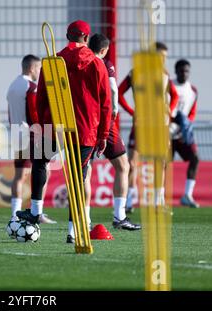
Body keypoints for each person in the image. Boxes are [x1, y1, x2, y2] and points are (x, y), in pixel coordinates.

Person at [17, 20, 112, 244]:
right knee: (77, 179)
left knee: (40, 161)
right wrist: (103, 135)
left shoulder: (52, 61)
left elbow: (41, 98)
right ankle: (72, 231)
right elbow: (106, 102)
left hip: (55, 124)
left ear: (68, 35)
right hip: (86, 128)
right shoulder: (97, 64)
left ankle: (35, 210)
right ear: (86, 39)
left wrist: (41, 122)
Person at [88, 33, 141, 230]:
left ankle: (83, 219)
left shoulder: (77, 62)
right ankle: (119, 216)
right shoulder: (104, 64)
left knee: (86, 170)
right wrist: (114, 112)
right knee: (122, 166)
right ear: (103, 50)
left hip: (82, 122)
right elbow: (113, 90)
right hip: (103, 121)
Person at [119, 42, 179, 213]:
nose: (163, 60)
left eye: (165, 57)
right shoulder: (136, 73)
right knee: (132, 162)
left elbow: (174, 95)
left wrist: (170, 110)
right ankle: (128, 202)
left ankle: (158, 203)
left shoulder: (164, 75)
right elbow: (119, 92)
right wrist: (132, 112)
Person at [6, 54, 56, 225]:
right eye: (39, 68)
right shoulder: (31, 86)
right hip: (30, 134)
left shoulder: (13, 85)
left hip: (15, 132)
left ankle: (14, 214)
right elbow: (35, 113)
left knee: (20, 175)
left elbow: (10, 112)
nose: (40, 71)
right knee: (44, 170)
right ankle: (38, 211)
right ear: (32, 68)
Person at [171, 59, 199, 208]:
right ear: (176, 71)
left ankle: (188, 195)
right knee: (164, 166)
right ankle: (160, 198)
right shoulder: (169, 85)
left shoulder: (193, 90)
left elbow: (192, 112)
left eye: (187, 71)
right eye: (181, 71)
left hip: (182, 134)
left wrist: (186, 126)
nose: (184, 73)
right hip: (167, 132)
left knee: (195, 158)